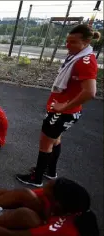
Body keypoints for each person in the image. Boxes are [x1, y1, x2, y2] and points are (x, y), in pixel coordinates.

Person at [16, 25, 100, 187]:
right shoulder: (77, 56)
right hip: (63, 111)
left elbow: (90, 92)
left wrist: (64, 106)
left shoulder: (85, 61)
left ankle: (37, 178)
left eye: (73, 42)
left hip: (63, 112)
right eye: (67, 41)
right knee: (55, 140)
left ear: (86, 42)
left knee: (45, 143)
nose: (67, 45)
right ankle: (51, 171)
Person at [0, 178, 99, 236]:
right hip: (49, 221)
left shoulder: (65, 229)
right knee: (25, 194)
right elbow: (15, 194)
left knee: (26, 215)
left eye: (47, 193)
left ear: (58, 204)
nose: (43, 190)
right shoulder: (67, 201)